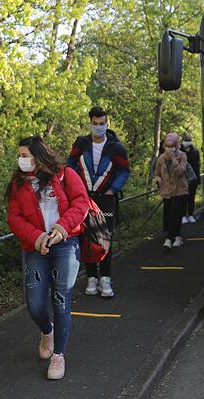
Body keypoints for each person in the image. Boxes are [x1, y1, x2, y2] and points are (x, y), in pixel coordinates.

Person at [6, 136, 89, 380]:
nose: (21, 160)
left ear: (39, 156)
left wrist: (61, 228)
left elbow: (81, 203)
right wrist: (38, 237)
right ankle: (47, 331)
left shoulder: (65, 174)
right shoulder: (18, 184)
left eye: (25, 155)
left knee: (61, 300)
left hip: (66, 244)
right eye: (20, 155)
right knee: (35, 304)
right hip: (35, 248)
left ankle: (58, 355)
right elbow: (14, 218)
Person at [67, 106, 130, 298]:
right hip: (84, 198)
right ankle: (91, 277)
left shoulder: (116, 147)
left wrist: (113, 190)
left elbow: (125, 170)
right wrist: (75, 186)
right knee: (87, 237)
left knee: (105, 238)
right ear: (90, 123)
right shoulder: (81, 143)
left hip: (106, 199)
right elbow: (69, 165)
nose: (99, 127)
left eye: (102, 123)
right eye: (95, 123)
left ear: (107, 123)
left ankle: (105, 278)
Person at [154, 133, 189, 250]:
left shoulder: (182, 156)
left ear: (177, 145)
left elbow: (180, 172)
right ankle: (178, 237)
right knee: (170, 215)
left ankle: (169, 239)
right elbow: (157, 174)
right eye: (167, 145)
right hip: (167, 191)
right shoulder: (161, 159)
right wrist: (159, 180)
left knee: (175, 213)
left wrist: (174, 158)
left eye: (172, 145)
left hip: (180, 190)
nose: (169, 148)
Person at [180, 133, 200, 224]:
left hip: (193, 178)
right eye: (185, 141)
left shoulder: (195, 151)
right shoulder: (178, 150)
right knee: (183, 197)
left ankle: (190, 215)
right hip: (182, 178)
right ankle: (183, 215)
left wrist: (198, 179)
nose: (186, 143)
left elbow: (197, 165)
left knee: (191, 197)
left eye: (188, 141)